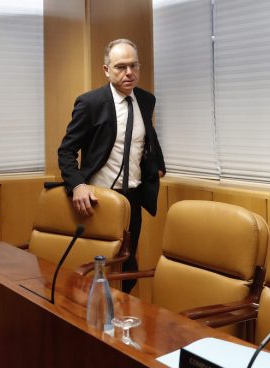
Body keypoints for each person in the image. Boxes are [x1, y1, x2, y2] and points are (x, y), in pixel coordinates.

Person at [58, 39, 166, 293]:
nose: (129, 73)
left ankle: (120, 323)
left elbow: (148, 135)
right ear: (106, 70)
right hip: (100, 200)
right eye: (120, 67)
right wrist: (77, 185)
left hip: (134, 198)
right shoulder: (90, 103)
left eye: (133, 66)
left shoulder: (146, 100)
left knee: (128, 269)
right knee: (102, 269)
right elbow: (66, 151)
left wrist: (159, 164)